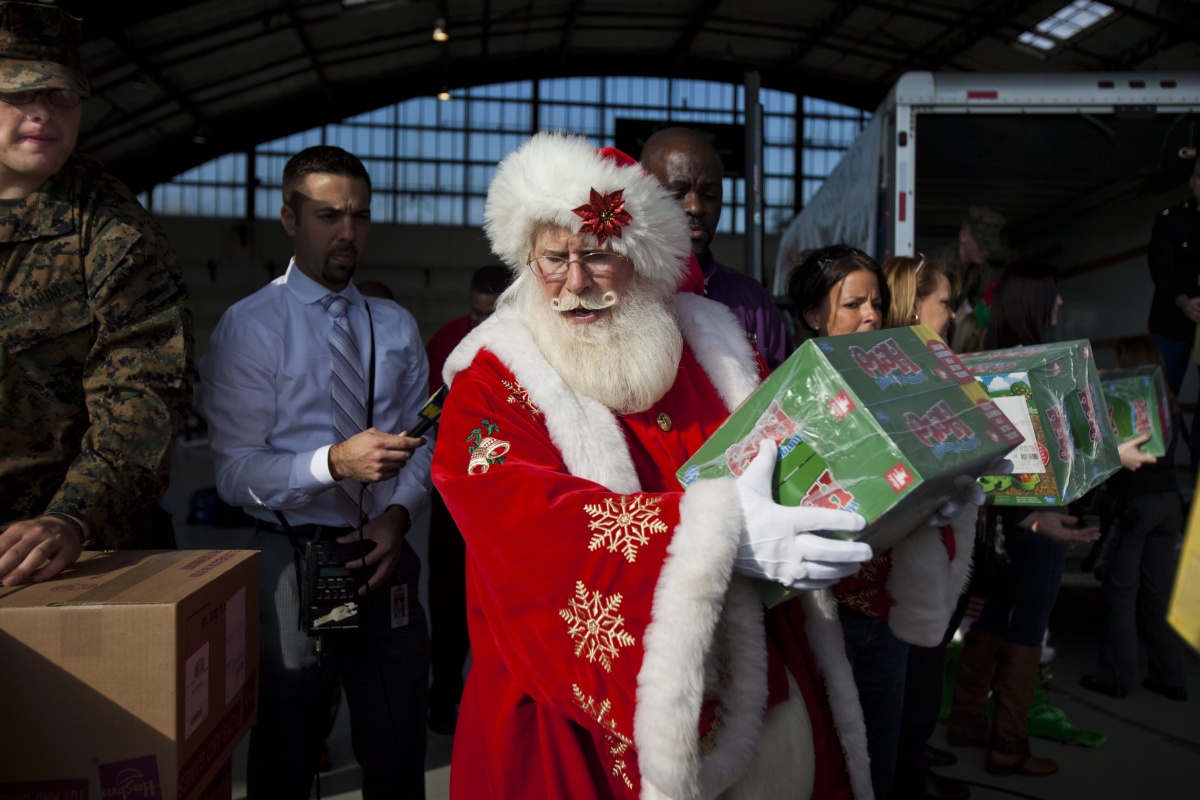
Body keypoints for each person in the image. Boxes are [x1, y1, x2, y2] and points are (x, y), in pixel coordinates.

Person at [433, 132, 885, 799]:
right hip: (569, 704)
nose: (575, 284)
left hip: (746, 669)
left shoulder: (717, 343)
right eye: (554, 259)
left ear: (640, 259)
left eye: (599, 257)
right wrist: (717, 534)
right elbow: (522, 522)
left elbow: (795, 451)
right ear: (527, 257)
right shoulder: (495, 375)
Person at [199, 145, 431, 798]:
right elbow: (234, 474)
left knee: (396, 735)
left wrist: (396, 515)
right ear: (289, 219)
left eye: (359, 215)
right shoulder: (251, 328)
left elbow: (424, 443)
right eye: (328, 215)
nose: (347, 233)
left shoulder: (393, 324)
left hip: (383, 553)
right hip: (299, 558)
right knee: (290, 736)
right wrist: (332, 462)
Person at [0, 1, 193, 587]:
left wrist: (70, 517)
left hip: (64, 553)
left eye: (60, 96)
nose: (41, 112)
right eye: (18, 93)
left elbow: (143, 392)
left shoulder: (112, 228)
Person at [788, 246, 983, 800]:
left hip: (886, 607)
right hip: (826, 614)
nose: (872, 314)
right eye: (853, 304)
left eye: (876, 301)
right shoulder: (792, 393)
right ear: (812, 315)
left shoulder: (898, 383)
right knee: (830, 765)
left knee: (884, 761)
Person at [947, 260, 1100, 778]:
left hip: (997, 522)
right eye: (1053, 298)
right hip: (1038, 520)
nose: (1059, 307)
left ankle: (967, 718)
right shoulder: (1046, 369)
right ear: (1035, 305)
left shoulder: (981, 366)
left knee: (995, 612)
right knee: (1029, 625)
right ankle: (1009, 744)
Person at [879, 255, 972, 800]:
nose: (953, 315)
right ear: (914, 307)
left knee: (924, 673)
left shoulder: (939, 362)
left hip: (942, 543)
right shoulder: (899, 371)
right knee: (908, 684)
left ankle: (915, 759)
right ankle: (910, 775)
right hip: (906, 556)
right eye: (944, 303)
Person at [424, 263, 512, 734]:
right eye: (475, 315)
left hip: (507, 499)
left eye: (491, 315)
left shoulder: (527, 348)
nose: (482, 326)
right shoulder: (447, 344)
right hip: (453, 495)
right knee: (447, 594)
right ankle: (443, 694)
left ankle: (497, 699)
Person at [1079, 335, 1189, 702]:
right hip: (1169, 503)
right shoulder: (1169, 404)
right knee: (1158, 596)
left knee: (1121, 593)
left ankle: (1116, 677)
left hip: (1135, 507)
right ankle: (1170, 678)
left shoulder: (1125, 401)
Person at [640, 126, 795, 369]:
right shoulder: (618, 296)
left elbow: (787, 393)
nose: (696, 207)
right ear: (642, 195)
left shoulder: (753, 303)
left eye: (710, 194)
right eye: (678, 194)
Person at [1146, 157, 1200, 397]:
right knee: (1162, 398)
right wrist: (1182, 300)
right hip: (1172, 323)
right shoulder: (1173, 220)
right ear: (1192, 182)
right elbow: (1160, 267)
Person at [940, 207, 1006, 354]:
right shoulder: (941, 264)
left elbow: (981, 307)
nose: (986, 252)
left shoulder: (980, 268)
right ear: (964, 236)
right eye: (981, 245)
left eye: (988, 247)